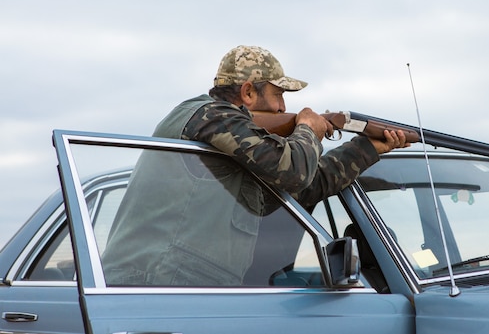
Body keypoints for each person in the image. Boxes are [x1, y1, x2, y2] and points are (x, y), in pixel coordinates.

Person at [101, 45, 409, 286]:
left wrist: (368, 147)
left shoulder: (232, 148)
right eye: (278, 95)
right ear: (248, 92)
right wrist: (309, 128)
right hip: (157, 284)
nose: (282, 107)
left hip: (176, 284)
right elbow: (293, 171)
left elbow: (306, 185)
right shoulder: (212, 116)